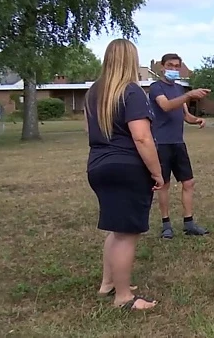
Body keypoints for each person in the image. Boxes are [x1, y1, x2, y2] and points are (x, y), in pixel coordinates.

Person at [84, 38, 161, 311]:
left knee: (116, 228)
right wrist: (157, 172)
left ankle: (108, 283)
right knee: (127, 233)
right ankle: (124, 297)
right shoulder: (132, 92)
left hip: (98, 167)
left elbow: (89, 131)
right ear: (131, 60)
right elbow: (142, 138)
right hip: (126, 168)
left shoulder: (93, 92)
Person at [148, 53, 212, 239]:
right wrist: (189, 95)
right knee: (164, 184)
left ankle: (189, 223)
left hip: (178, 143)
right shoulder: (155, 88)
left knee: (188, 182)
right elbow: (166, 106)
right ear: (162, 66)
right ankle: (166, 225)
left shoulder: (179, 89)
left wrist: (196, 119)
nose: (174, 69)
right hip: (161, 144)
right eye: (170, 65)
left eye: (177, 66)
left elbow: (185, 115)